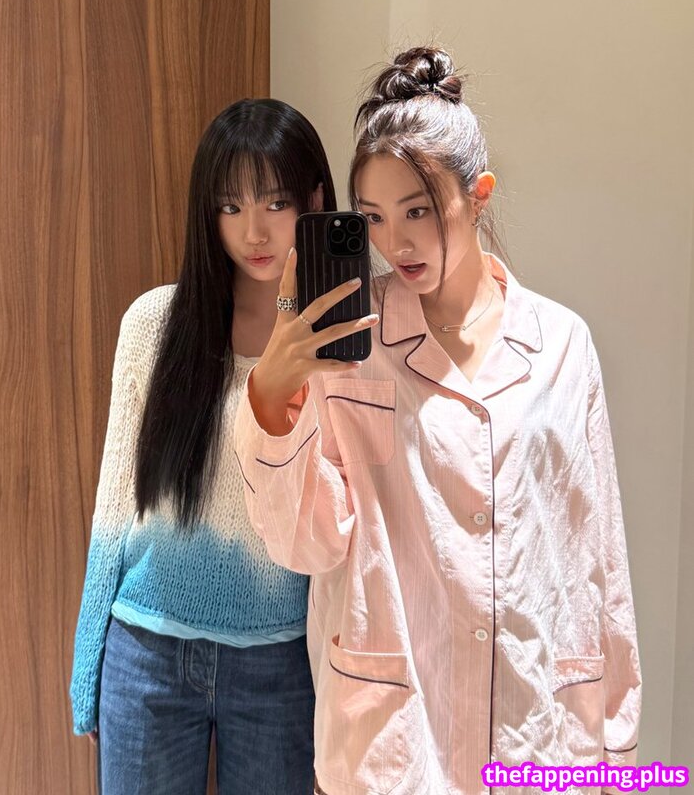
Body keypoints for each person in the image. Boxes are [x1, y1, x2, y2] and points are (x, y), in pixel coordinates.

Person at [233, 47, 642, 795]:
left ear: (478, 196)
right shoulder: (349, 347)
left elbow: (597, 557)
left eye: (419, 211)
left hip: (535, 732)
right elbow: (306, 544)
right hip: (393, 742)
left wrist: (616, 748)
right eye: (374, 217)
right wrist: (272, 398)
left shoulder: (562, 345)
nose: (396, 243)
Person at [70, 98, 338, 794]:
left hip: (282, 664)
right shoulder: (155, 324)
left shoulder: (340, 344)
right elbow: (115, 503)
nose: (254, 231)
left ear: (314, 201)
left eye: (276, 202)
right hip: (146, 651)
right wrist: (88, 660)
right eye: (230, 206)